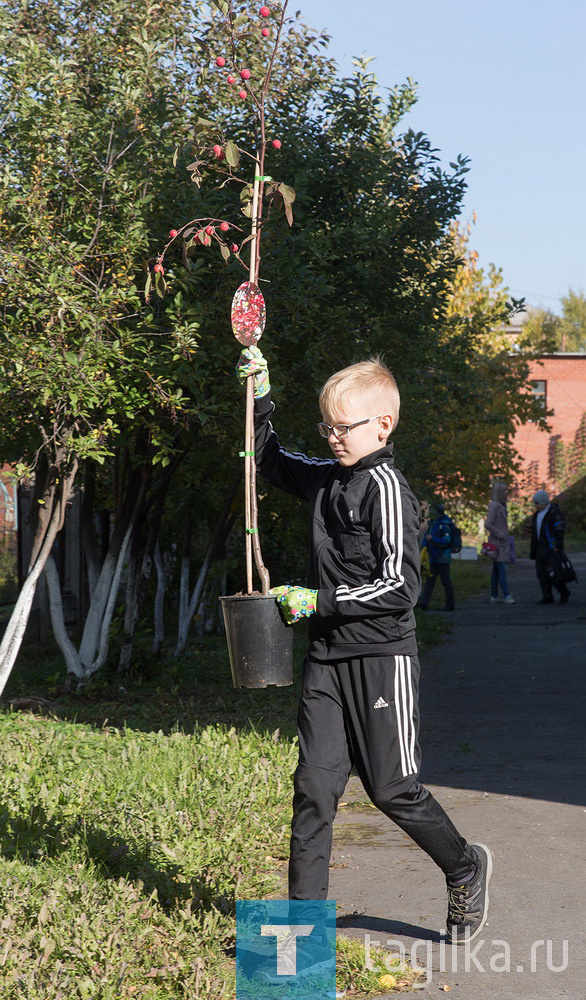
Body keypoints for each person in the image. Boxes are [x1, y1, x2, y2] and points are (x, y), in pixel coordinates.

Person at [237, 346, 493, 953]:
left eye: (343, 427)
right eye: (326, 426)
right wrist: (260, 395)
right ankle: (301, 945)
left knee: (392, 788)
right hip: (326, 661)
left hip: (382, 659)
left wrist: (319, 600)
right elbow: (266, 462)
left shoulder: (385, 488)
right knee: (314, 789)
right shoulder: (328, 477)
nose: (332, 438)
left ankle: (464, 867)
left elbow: (400, 585)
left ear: (383, 424)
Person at [530, 489, 570, 605]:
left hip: (550, 548)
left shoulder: (554, 513)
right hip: (539, 548)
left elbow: (560, 529)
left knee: (555, 574)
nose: (535, 505)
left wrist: (558, 546)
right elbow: (537, 530)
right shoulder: (537, 514)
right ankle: (547, 596)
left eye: (537, 503)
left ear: (544, 502)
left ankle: (564, 593)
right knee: (541, 574)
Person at [417, 503, 455, 611]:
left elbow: (447, 541)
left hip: (443, 558)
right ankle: (424, 603)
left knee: (446, 581)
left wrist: (433, 539)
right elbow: (426, 538)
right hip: (432, 557)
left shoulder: (445, 524)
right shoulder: (433, 523)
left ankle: (450, 603)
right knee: (430, 581)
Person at [485, 481, 515, 605]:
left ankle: (494, 595)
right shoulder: (494, 506)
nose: (507, 492)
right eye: (505, 490)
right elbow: (488, 524)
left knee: (497, 570)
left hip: (503, 543)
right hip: (498, 543)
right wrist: (500, 534)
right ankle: (506, 595)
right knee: (501, 569)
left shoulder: (502, 506)